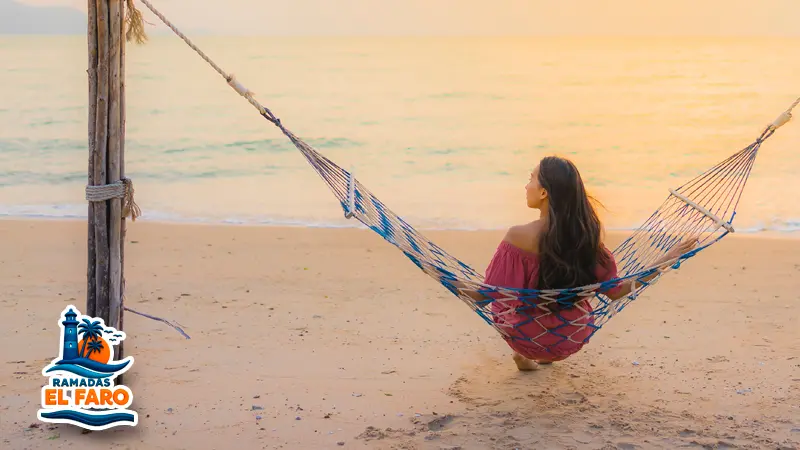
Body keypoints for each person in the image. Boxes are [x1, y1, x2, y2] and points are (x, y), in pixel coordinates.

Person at [484, 156, 697, 371]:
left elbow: (485, 295)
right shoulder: (586, 241)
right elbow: (616, 291)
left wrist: (449, 278)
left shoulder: (518, 236)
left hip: (526, 335)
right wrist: (666, 259)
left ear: (543, 192)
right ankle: (536, 355)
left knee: (504, 299)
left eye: (531, 178)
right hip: (569, 335)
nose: (526, 185)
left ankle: (523, 353)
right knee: (557, 295)